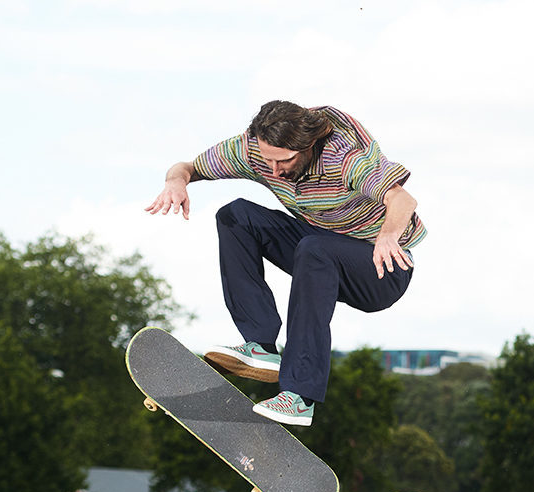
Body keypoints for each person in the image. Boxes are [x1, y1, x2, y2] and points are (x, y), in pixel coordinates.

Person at [146, 101, 425, 427]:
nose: (275, 171)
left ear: (308, 146)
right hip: (318, 248)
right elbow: (185, 167)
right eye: (268, 160)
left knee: (315, 247)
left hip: (382, 268)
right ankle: (261, 345)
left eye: (285, 161)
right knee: (236, 216)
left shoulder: (344, 158)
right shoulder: (249, 150)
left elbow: (402, 199)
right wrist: (176, 182)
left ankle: (299, 395)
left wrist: (388, 235)